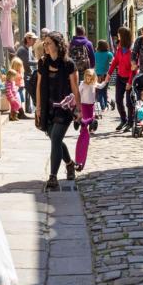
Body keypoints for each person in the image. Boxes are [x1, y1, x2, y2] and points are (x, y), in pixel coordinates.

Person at [35, 31, 82, 190]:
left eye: (48, 43)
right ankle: (69, 164)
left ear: (57, 45)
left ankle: (53, 176)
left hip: (65, 107)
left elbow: (75, 88)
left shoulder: (69, 64)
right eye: (45, 43)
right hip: (48, 107)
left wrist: (79, 109)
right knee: (54, 138)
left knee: (55, 137)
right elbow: (39, 86)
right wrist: (38, 107)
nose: (45, 46)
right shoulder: (43, 63)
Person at [74, 69, 108, 169]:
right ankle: (80, 125)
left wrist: (106, 80)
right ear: (85, 76)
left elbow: (101, 86)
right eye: (87, 76)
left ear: (93, 77)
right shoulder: (82, 84)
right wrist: (76, 108)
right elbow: (77, 94)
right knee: (84, 128)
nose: (89, 78)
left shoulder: (94, 84)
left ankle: (88, 129)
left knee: (90, 124)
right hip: (84, 107)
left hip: (91, 108)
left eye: (91, 76)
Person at [107, 26, 136, 131]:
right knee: (118, 100)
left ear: (123, 36)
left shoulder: (132, 50)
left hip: (129, 79)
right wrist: (109, 73)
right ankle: (123, 120)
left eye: (119, 34)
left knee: (129, 102)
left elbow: (134, 69)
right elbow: (115, 61)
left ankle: (130, 122)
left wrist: (130, 82)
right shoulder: (119, 47)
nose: (117, 35)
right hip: (120, 77)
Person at [15, 32, 38, 114]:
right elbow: (27, 62)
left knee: (24, 93)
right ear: (28, 39)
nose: (35, 41)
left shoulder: (27, 49)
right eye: (33, 39)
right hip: (23, 75)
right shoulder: (23, 50)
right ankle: (20, 112)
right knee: (30, 92)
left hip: (26, 74)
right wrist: (38, 61)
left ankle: (24, 111)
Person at [94, 39, 113, 112]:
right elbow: (112, 61)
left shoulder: (95, 54)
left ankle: (101, 105)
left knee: (98, 90)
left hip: (97, 74)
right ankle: (104, 106)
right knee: (104, 90)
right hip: (106, 74)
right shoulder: (109, 54)